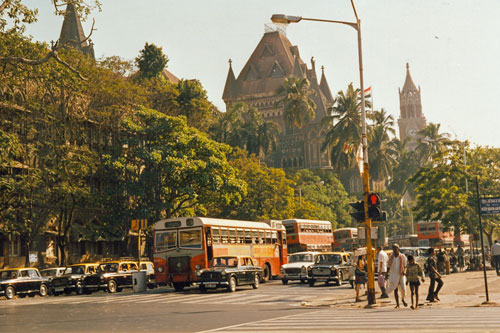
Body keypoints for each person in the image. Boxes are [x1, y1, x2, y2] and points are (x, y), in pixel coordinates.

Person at [386, 244, 408, 308]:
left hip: (401, 274)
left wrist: (404, 271)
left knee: (403, 288)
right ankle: (397, 304)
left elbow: (405, 265)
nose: (395, 250)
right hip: (394, 274)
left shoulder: (402, 256)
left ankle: (403, 299)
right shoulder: (391, 257)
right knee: (395, 289)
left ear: (398, 249)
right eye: (393, 249)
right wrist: (386, 274)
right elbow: (389, 266)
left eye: (396, 248)